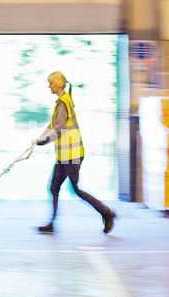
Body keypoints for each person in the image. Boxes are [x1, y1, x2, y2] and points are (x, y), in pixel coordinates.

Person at [32, 71, 116, 234]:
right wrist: (39, 139)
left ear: (57, 84)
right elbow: (51, 126)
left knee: (75, 189)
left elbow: (59, 129)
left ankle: (107, 212)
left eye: (50, 83)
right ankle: (51, 223)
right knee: (54, 187)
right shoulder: (61, 102)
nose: (49, 86)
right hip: (65, 155)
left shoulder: (63, 103)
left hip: (72, 154)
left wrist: (42, 141)